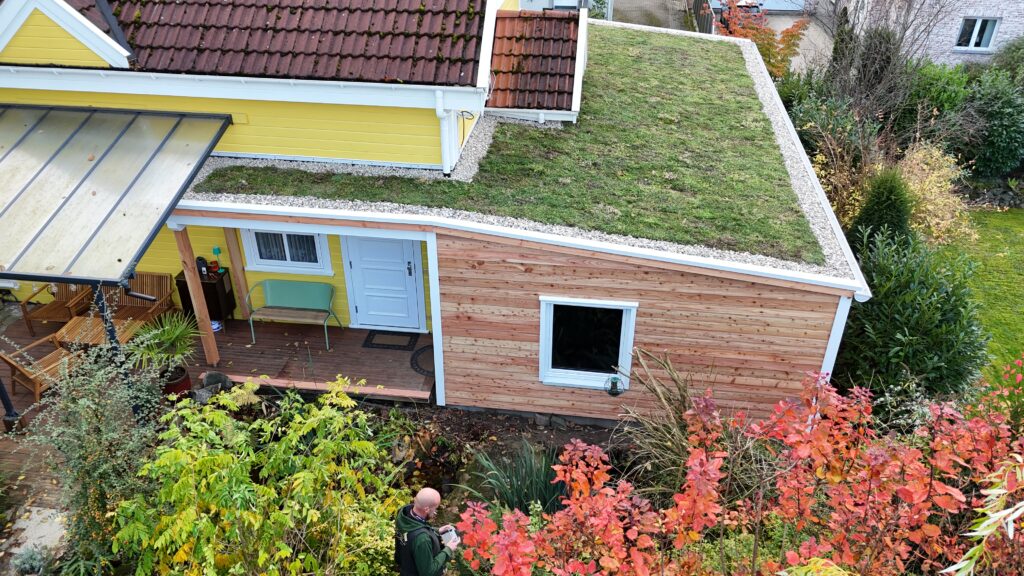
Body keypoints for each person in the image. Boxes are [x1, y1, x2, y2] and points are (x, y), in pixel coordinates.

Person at [395, 487, 460, 576]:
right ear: (426, 509)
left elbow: (414, 531)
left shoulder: (404, 516)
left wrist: (437, 531)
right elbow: (428, 572)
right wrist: (448, 549)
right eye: (435, 508)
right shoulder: (422, 539)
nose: (436, 512)